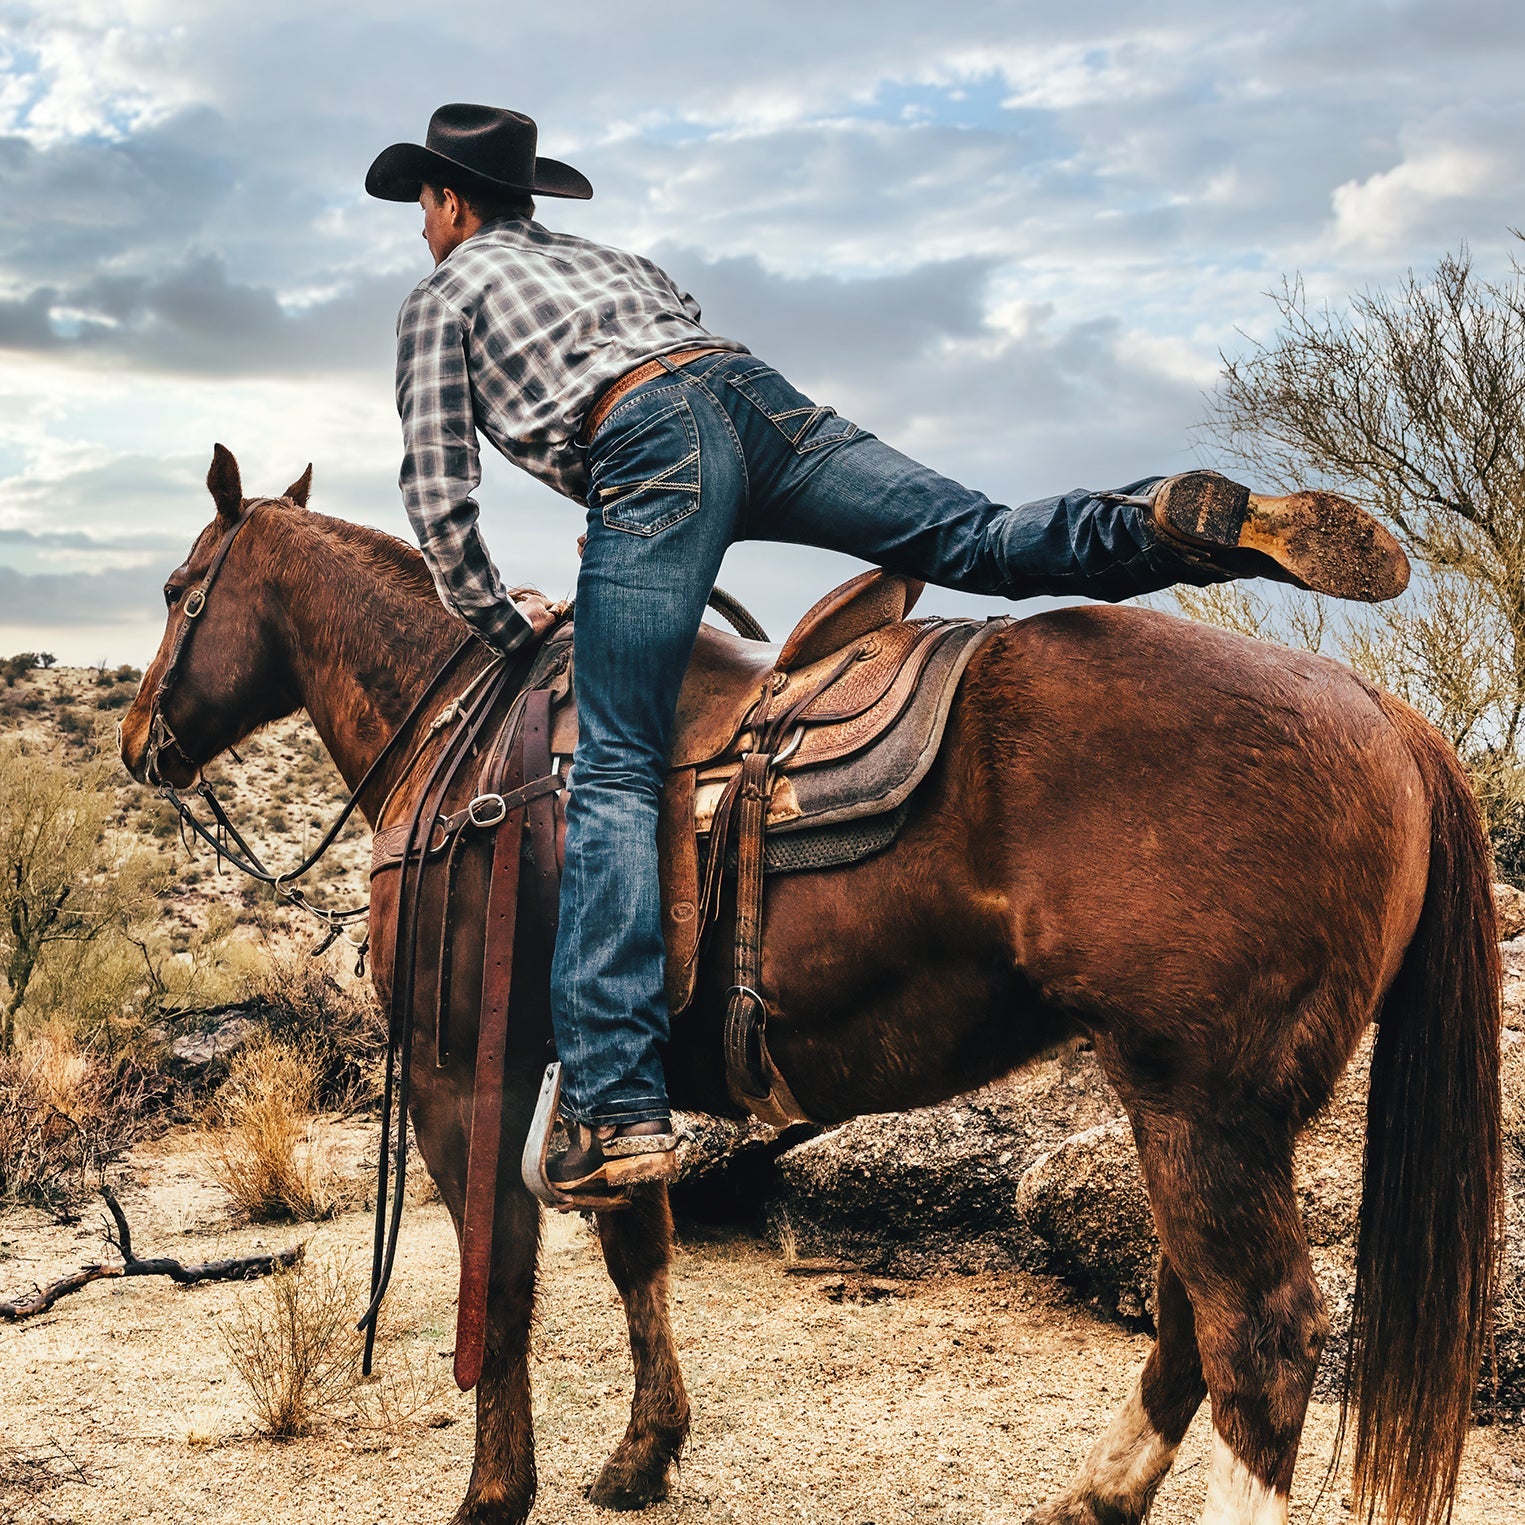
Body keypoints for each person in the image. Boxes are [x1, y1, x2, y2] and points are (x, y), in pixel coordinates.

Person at [365, 104, 1409, 1204]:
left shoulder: (442, 296)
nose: (421, 229)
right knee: (979, 537)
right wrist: (637, 514)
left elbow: (439, 495)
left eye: (421, 209)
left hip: (642, 438)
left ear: (448, 201)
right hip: (751, 396)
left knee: (620, 755)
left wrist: (498, 614)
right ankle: (1165, 522)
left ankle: (616, 1104)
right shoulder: (618, 262)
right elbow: (683, 387)